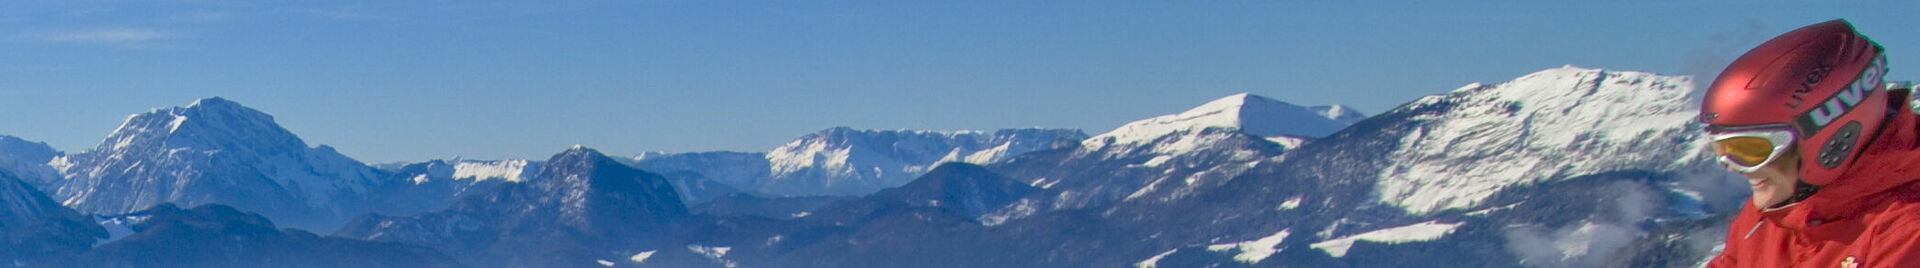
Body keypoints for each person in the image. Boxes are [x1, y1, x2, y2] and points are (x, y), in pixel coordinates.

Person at [1701, 19, 1920, 267]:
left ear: (1831, 140)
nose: (1730, 164)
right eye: (1721, 148)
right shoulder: (1774, 214)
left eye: (1750, 149)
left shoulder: (1907, 234)